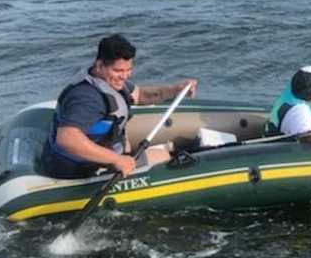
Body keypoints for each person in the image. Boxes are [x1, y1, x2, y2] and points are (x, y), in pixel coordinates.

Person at [40, 34, 198, 179]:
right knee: (163, 157)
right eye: (118, 71)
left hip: (105, 156)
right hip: (82, 170)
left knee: (164, 152)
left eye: (128, 70)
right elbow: (67, 138)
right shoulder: (87, 99)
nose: (124, 76)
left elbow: (140, 95)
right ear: (99, 65)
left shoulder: (106, 81)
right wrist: (117, 159)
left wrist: (175, 90)